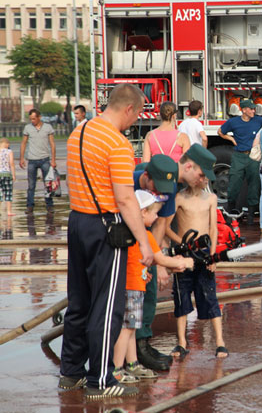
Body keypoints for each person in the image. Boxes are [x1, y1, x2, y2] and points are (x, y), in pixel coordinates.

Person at [61, 83, 153, 399]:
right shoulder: (117, 143)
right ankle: (100, 380)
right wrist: (143, 242)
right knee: (107, 305)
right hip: (107, 228)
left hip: (77, 221)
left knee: (79, 301)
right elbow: (126, 199)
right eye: (138, 114)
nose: (136, 120)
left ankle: (70, 373)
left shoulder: (79, 133)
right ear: (129, 109)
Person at [134, 146, 217, 372]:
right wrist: (159, 262)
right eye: (201, 175)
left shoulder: (170, 186)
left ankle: (142, 343)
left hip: (147, 248)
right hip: (127, 246)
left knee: (148, 293)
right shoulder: (151, 176)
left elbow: (161, 223)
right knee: (132, 296)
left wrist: (156, 260)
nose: (202, 181)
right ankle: (132, 350)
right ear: (188, 166)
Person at [112, 190, 193, 384]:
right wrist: (184, 262)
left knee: (131, 328)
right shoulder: (144, 235)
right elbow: (160, 258)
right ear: (141, 212)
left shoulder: (131, 232)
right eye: (154, 212)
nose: (157, 216)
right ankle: (115, 369)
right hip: (132, 288)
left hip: (134, 285)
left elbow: (146, 261)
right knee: (127, 330)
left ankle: (132, 364)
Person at [168, 177, 229, 359]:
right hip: (184, 254)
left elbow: (213, 229)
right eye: (202, 177)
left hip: (204, 253)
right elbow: (166, 227)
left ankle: (220, 342)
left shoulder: (211, 198)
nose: (205, 180)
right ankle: (181, 343)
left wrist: (212, 256)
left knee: (210, 295)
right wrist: (183, 244)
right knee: (181, 295)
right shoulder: (179, 198)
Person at [219, 99, 262, 223]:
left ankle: (251, 215)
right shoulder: (233, 122)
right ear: (244, 110)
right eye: (251, 109)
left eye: (253, 109)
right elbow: (220, 131)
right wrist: (231, 139)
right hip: (239, 156)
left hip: (253, 156)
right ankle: (231, 212)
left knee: (254, 184)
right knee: (234, 182)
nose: (253, 111)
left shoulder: (259, 121)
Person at [19, 108, 56, 214]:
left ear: (39, 117)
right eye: (31, 119)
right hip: (32, 160)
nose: (32, 121)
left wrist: (53, 159)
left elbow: (52, 144)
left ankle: (49, 205)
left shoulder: (48, 127)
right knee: (31, 185)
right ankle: (30, 206)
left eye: (34, 119)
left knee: (47, 184)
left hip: (45, 159)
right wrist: (21, 158)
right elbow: (23, 143)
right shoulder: (28, 128)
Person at [0, 138, 16, 216]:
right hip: (7, 174)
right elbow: (11, 163)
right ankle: (9, 211)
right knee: (8, 192)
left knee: (0, 193)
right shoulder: (9, 151)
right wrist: (13, 174)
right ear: (6, 144)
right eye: (8, 144)